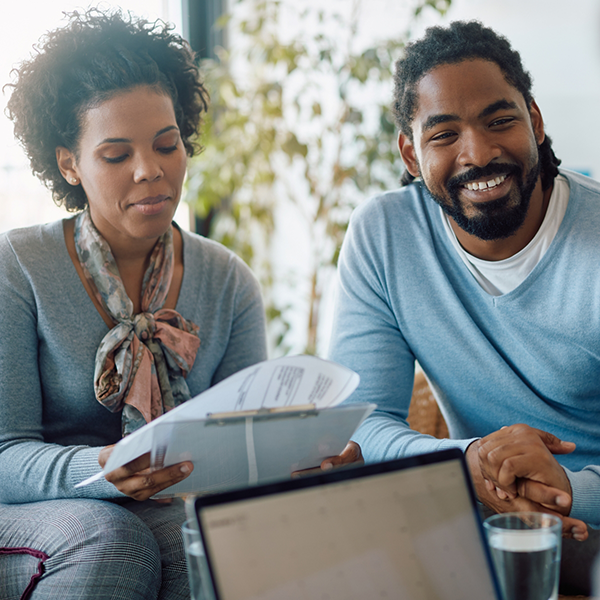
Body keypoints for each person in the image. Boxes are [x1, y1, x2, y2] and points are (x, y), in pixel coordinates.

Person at [0, 8, 267, 600]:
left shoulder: (228, 281)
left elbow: (241, 444)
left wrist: (291, 458)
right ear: (69, 162)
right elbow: (2, 454)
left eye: (167, 145)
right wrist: (101, 470)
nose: (151, 171)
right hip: (29, 510)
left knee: (218, 540)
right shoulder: (17, 267)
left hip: (156, 509)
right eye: (116, 156)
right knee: (111, 538)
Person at [328, 20, 600, 595]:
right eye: (443, 134)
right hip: (471, 509)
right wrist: (466, 460)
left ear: (536, 120)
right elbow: (360, 421)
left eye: (500, 120)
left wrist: (571, 490)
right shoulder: (384, 235)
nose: (478, 153)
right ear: (409, 152)